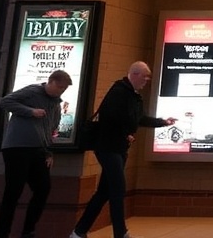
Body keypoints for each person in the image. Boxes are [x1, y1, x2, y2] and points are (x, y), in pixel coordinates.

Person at [70, 62, 177, 238]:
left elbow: (139, 118)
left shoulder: (134, 95)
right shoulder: (119, 92)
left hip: (118, 148)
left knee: (104, 192)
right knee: (118, 189)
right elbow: (110, 117)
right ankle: (120, 233)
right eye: (145, 76)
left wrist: (162, 122)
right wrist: (125, 133)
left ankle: (78, 232)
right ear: (134, 74)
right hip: (107, 147)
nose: (147, 80)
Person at [0, 69, 73, 238]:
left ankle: (28, 230)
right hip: (17, 147)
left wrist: (48, 152)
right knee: (13, 191)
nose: (61, 91)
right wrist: (30, 111)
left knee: (43, 188)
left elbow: (50, 129)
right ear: (50, 82)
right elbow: (6, 102)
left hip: (38, 150)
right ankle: (2, 233)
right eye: (59, 87)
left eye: (64, 89)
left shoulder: (56, 104)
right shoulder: (32, 91)